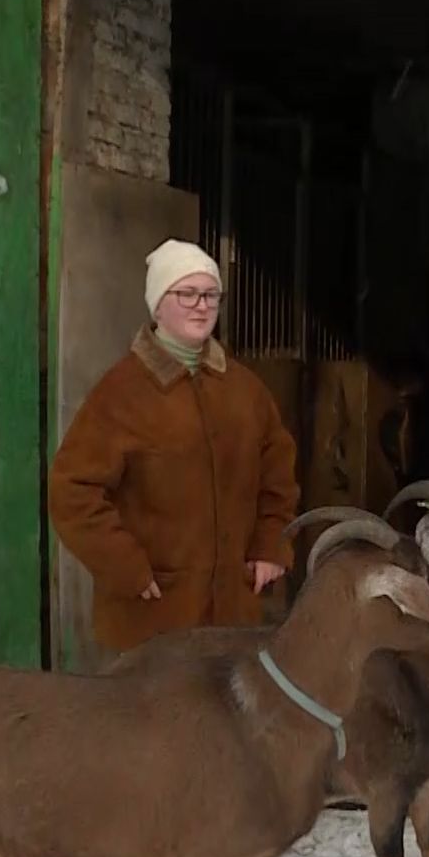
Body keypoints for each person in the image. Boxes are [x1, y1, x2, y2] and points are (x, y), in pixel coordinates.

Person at [49, 238, 301, 662]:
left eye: (210, 295)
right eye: (186, 293)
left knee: (226, 725)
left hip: (232, 617)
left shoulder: (245, 390)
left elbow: (278, 476)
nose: (201, 306)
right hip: (152, 618)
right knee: (152, 727)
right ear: (158, 304)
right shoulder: (121, 394)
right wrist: (125, 566)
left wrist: (270, 546)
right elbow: (72, 491)